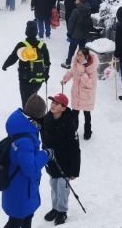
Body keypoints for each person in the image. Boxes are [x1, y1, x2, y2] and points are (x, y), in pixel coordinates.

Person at [2, 94, 51, 228]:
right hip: (21, 188)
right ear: (38, 115)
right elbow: (30, 168)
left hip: (20, 186)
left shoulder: (21, 125)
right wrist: (46, 154)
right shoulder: (25, 140)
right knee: (16, 222)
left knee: (25, 218)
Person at [41, 93, 80, 225]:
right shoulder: (46, 119)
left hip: (65, 163)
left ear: (63, 108)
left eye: (57, 103)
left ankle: (62, 211)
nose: (53, 105)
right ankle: (55, 208)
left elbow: (75, 148)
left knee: (62, 188)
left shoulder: (69, 123)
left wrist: (74, 170)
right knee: (53, 186)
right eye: (52, 102)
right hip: (51, 161)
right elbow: (43, 139)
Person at [2, 21, 51, 107]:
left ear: (26, 31)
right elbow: (47, 62)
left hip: (25, 79)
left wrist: (5, 65)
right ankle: (34, 115)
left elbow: (13, 57)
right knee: (33, 98)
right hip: (38, 78)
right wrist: (46, 75)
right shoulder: (42, 45)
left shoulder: (22, 45)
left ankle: (26, 117)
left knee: (25, 101)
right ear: (36, 32)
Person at [61, 49, 97, 140]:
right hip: (76, 93)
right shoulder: (76, 64)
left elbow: (90, 84)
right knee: (74, 114)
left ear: (86, 56)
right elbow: (71, 72)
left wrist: (82, 74)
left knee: (87, 114)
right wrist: (65, 79)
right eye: (77, 54)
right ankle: (73, 131)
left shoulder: (92, 68)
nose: (78, 57)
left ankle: (87, 133)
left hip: (86, 95)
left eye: (81, 55)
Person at [64, 0, 92, 69]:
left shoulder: (75, 11)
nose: (75, 1)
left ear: (79, 1)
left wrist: (69, 32)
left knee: (72, 49)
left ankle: (68, 63)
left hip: (76, 34)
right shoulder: (88, 10)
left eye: (76, 0)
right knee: (82, 50)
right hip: (85, 34)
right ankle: (82, 65)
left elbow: (71, 22)